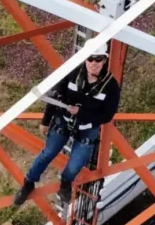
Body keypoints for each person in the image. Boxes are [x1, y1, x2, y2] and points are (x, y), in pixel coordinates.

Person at [13, 45, 120, 208]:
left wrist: (81, 113)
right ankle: (28, 183)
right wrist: (46, 120)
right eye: (90, 58)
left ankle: (65, 182)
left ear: (104, 60)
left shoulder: (110, 87)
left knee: (74, 166)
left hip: (86, 128)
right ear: (85, 59)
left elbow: (107, 115)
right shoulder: (72, 73)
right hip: (63, 120)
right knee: (47, 154)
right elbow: (56, 96)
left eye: (98, 59)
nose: (93, 63)